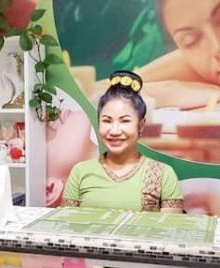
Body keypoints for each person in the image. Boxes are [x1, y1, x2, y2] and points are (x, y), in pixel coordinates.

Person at [62, 71, 184, 212]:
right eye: (107, 121)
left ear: (141, 125)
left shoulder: (163, 174)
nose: (114, 131)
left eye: (125, 121)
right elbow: (65, 222)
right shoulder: (80, 172)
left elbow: (170, 225)